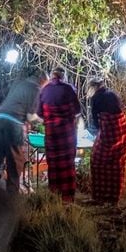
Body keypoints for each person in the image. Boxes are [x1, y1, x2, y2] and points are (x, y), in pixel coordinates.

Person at [0, 72, 41, 193]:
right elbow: (30, 116)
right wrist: (42, 119)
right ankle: (13, 196)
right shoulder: (35, 88)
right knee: (14, 160)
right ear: (41, 80)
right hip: (13, 123)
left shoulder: (18, 84)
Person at [37, 69, 81, 202]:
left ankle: (54, 197)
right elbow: (78, 111)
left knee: (53, 165)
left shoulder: (44, 90)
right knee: (67, 165)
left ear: (52, 77)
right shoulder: (69, 89)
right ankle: (67, 198)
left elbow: (39, 114)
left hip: (51, 136)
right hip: (67, 136)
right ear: (63, 77)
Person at [87, 77, 126, 204]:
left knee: (97, 160)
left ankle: (100, 197)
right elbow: (121, 113)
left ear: (93, 88)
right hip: (122, 133)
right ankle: (113, 198)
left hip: (110, 135)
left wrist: (97, 135)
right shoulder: (113, 94)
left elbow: (96, 122)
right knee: (117, 164)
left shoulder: (96, 98)